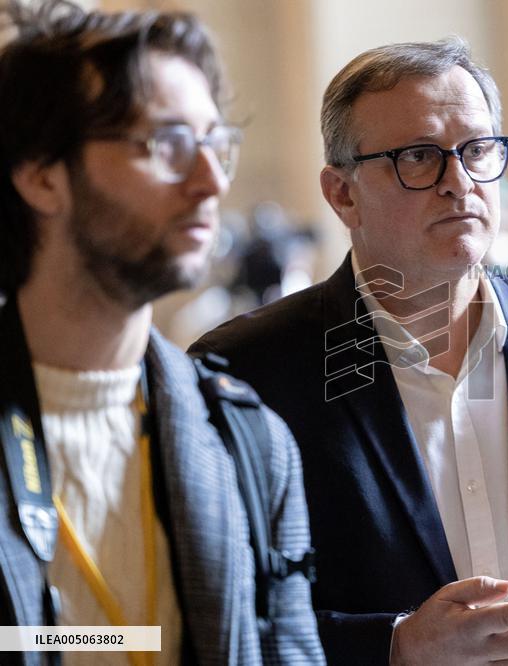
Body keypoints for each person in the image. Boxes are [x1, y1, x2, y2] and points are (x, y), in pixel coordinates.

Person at [192, 37, 508, 665]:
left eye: (478, 150)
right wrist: (395, 647)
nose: (460, 182)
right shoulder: (242, 373)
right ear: (342, 194)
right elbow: (208, 624)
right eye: (419, 158)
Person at [0, 1, 323, 663]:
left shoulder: (250, 443)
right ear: (41, 174)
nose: (212, 181)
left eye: (215, 142)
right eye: (167, 144)